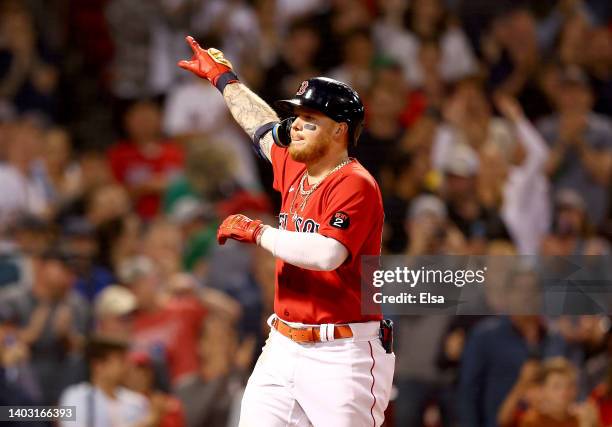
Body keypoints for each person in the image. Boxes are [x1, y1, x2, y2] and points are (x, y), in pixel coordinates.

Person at [177, 36, 395, 426]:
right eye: (297, 116)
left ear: (339, 132)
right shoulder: (295, 164)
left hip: (342, 354)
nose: (295, 126)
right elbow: (258, 123)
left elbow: (328, 253)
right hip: (282, 345)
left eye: (310, 120)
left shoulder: (355, 183)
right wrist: (224, 79)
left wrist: (258, 232)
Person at [58, 336, 154, 427]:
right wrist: (146, 422)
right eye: (120, 360)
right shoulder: (73, 396)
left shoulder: (137, 401)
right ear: (99, 366)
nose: (126, 366)